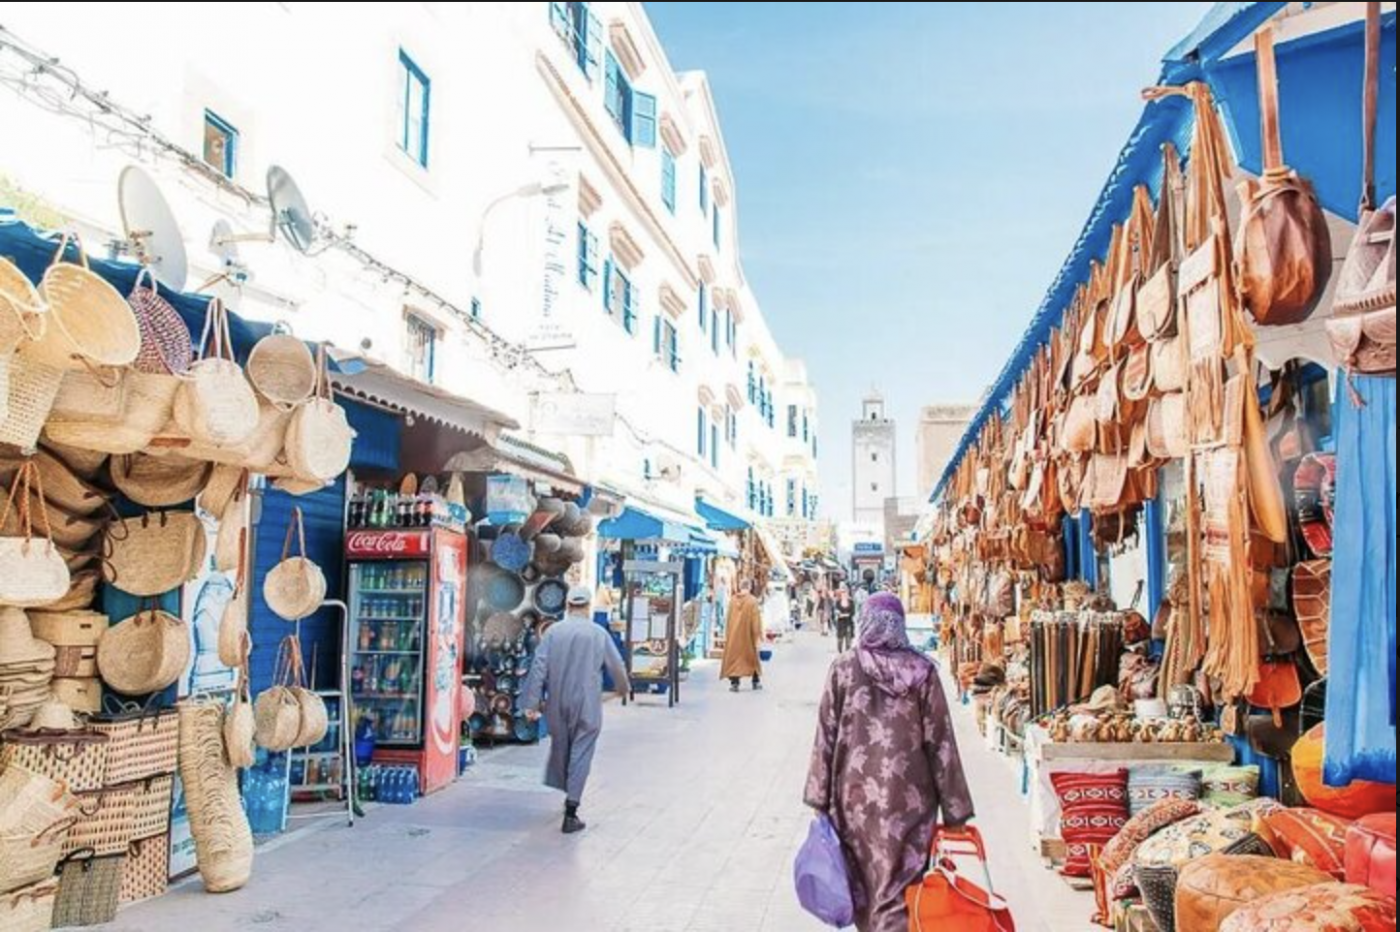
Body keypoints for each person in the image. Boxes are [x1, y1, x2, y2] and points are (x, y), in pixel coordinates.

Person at [805, 592, 974, 932]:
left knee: (865, 887)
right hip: (910, 801)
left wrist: (818, 798)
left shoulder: (843, 669)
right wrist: (955, 811)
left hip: (854, 803)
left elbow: (825, 734)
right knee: (900, 888)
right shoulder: (923, 672)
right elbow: (941, 743)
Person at [521, 585, 630, 835]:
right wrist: (623, 688)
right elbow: (616, 664)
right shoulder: (597, 633)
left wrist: (531, 703)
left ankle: (567, 793)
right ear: (588, 606)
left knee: (562, 748)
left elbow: (539, 667)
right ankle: (571, 811)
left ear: (568, 606)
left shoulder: (553, 633)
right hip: (587, 703)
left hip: (557, 702)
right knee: (581, 752)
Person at [719, 578, 763, 692]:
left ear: (740, 587)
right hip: (747, 637)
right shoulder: (752, 601)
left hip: (734, 635)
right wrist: (757, 636)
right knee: (752, 658)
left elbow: (728, 619)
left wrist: (727, 634)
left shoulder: (732, 600)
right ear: (749, 587)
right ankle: (755, 681)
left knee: (735, 659)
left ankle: (734, 683)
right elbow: (755, 621)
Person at [833, 583, 856, 653]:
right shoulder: (838, 602)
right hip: (840, 623)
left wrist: (845, 615)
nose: (844, 593)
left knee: (848, 641)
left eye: (845, 592)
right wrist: (839, 615)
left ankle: (847, 654)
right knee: (840, 640)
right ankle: (840, 653)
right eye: (842, 592)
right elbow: (836, 612)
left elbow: (853, 612)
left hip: (849, 622)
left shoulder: (851, 602)